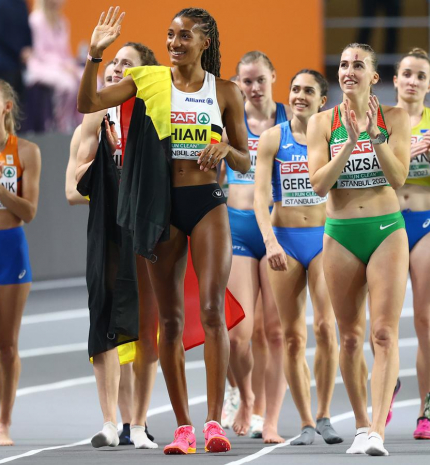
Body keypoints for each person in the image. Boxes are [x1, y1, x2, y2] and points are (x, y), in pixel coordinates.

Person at [77, 6, 250, 455]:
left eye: (185, 36)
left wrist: (226, 148)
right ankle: (184, 427)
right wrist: (95, 56)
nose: (174, 43)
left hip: (206, 202)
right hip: (160, 207)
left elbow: (245, 158)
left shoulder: (225, 91)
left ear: (205, 41)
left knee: (211, 310)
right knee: (169, 321)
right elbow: (89, 104)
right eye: (170, 35)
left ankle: (214, 423)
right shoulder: (149, 80)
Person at [307, 43, 410, 456]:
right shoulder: (322, 122)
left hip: (386, 230)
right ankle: (362, 426)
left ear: (374, 77)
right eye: (344, 64)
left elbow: (398, 177)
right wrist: (349, 143)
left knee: (383, 333)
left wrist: (372, 136)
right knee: (349, 338)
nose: (349, 70)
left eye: (358, 65)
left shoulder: (395, 118)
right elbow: (319, 184)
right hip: (340, 234)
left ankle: (378, 432)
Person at [75, 42, 159, 450]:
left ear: (143, 75)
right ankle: (111, 421)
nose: (116, 69)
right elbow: (74, 185)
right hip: (108, 232)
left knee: (146, 329)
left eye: (127, 64)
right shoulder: (95, 118)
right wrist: (108, 160)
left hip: (146, 231)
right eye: (113, 62)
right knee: (105, 321)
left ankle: (138, 424)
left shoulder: (153, 117)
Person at [254, 69, 343, 446]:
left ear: (323, 100)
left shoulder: (334, 137)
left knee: (325, 327)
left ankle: (325, 415)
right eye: (294, 89)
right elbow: (260, 196)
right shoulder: (273, 138)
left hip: (323, 240)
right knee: (292, 336)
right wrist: (270, 242)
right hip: (285, 242)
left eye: (308, 90)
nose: (299, 96)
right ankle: (306, 421)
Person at [221, 51, 291, 442]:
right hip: (238, 228)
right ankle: (245, 395)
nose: (254, 87)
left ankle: (264, 410)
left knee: (272, 331)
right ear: (237, 83)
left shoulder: (289, 118)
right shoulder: (229, 120)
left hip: (277, 231)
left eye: (260, 79)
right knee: (238, 333)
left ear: (273, 77)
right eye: (247, 81)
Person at [0, 80, 41, 446]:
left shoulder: (26, 152)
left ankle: (4, 423)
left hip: (11, 249)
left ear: (6, 107)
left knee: (7, 345)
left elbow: (28, 211)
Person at [394, 47, 430, 440]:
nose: (413, 81)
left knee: (425, 319)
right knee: (382, 320)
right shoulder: (381, 121)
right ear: (395, 79)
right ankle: (388, 383)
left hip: (424, 221)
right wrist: (404, 153)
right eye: (407, 73)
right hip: (387, 221)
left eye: (421, 75)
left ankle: (426, 409)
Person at [26, 0, 82, 133]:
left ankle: (80, 123)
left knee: (90, 80)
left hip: (62, 66)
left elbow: (65, 52)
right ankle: (61, 124)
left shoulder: (62, 21)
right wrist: (63, 66)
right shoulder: (36, 20)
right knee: (68, 85)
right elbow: (40, 52)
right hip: (41, 66)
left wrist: (71, 65)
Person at [0, 0, 32, 104]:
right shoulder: (2, 4)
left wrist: (29, 48)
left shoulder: (22, 4)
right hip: (5, 62)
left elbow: (27, 30)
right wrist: (20, 51)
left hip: (19, 65)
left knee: (18, 103)